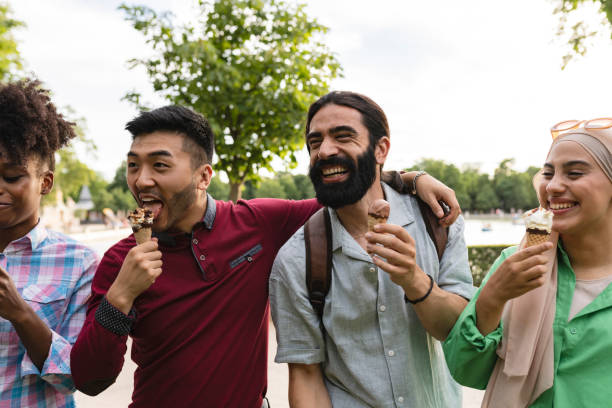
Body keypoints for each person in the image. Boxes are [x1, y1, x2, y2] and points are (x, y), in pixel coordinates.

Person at [69, 104, 461, 408]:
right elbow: (90, 379)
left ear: (203, 176)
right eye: (133, 166)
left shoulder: (259, 223)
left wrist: (411, 178)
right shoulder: (122, 261)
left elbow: (344, 189)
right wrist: (120, 298)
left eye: (159, 165)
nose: (142, 180)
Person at [269, 91, 474, 407]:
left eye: (343, 136)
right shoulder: (296, 259)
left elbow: (459, 333)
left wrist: (413, 279)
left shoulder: (437, 222)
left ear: (381, 149)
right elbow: (305, 376)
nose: (324, 151)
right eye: (314, 142)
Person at [443, 121, 612, 407]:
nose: (554, 186)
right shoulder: (514, 263)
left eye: (574, 173)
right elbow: (466, 370)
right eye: (548, 173)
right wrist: (493, 298)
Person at [0, 79, 98, 407]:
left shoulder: (79, 262)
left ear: (45, 182)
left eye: (12, 177)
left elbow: (77, 378)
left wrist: (20, 313)